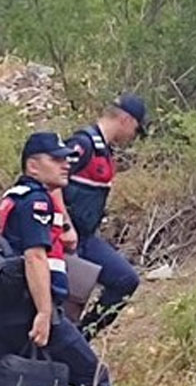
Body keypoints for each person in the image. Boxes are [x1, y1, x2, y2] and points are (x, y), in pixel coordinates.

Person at [0, 132, 110, 386]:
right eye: (56, 159)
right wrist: (44, 312)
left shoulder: (13, 197)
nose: (66, 165)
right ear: (33, 165)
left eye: (67, 159)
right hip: (29, 309)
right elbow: (35, 257)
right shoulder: (36, 200)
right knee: (93, 376)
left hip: (10, 309)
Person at [62, 93, 148, 340]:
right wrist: (66, 226)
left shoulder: (105, 151)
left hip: (86, 238)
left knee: (125, 279)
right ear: (125, 119)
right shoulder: (83, 144)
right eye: (135, 128)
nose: (134, 136)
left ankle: (81, 338)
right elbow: (49, 183)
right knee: (66, 301)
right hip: (63, 238)